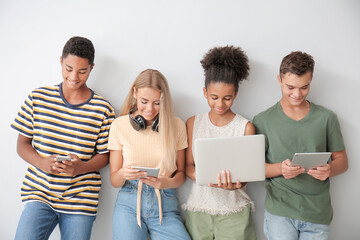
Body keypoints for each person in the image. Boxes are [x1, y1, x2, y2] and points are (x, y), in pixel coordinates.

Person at [11, 36, 115, 240]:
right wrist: (41, 162)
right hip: (39, 193)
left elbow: (105, 156)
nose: (74, 76)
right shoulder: (38, 98)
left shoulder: (103, 109)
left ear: (92, 68)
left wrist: (80, 168)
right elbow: (22, 145)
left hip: (80, 200)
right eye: (68, 68)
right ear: (60, 61)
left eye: (82, 71)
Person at [253, 51, 348, 240]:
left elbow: (342, 161)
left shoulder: (326, 118)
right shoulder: (262, 120)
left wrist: (329, 170)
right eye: (290, 87)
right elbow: (255, 169)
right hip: (279, 212)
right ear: (279, 80)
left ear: (311, 79)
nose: (297, 94)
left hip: (317, 213)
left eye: (304, 87)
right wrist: (281, 168)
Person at [182, 46, 257, 240]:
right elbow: (188, 166)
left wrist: (235, 185)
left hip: (234, 212)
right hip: (199, 211)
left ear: (236, 94)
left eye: (227, 98)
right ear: (205, 92)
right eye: (214, 97)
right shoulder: (193, 123)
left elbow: (248, 174)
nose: (220, 105)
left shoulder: (245, 127)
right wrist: (204, 177)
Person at [108, 69, 191, 240]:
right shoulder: (119, 126)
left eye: (157, 103)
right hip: (129, 203)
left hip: (165, 203)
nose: (150, 109)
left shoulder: (176, 125)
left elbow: (181, 175)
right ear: (134, 93)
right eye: (144, 101)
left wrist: (166, 182)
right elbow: (114, 181)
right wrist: (123, 173)